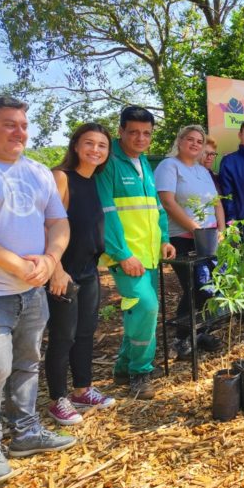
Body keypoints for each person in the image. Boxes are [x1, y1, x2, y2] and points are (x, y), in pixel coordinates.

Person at [0, 94, 75, 485]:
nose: (20, 131)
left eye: (23, 124)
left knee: (26, 363)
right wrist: (16, 263)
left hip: (32, 291)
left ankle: (26, 432)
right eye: (9, 124)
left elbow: (58, 222)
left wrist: (51, 260)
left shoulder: (37, 171)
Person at [96, 106, 175, 400]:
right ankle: (140, 373)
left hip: (150, 254)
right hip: (127, 257)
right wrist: (121, 254)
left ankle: (122, 367)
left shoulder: (143, 162)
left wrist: (164, 239)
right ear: (121, 131)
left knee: (140, 312)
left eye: (146, 133)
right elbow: (105, 214)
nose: (141, 138)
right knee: (146, 307)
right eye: (134, 132)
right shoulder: (109, 164)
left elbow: (156, 208)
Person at [45, 123, 115, 427]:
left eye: (102, 145)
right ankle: (57, 398)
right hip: (65, 272)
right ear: (75, 146)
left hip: (89, 271)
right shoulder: (61, 177)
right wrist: (56, 269)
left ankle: (82, 390)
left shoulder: (94, 182)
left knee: (86, 332)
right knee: (63, 336)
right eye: (89, 143)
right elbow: (46, 225)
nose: (95, 150)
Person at [154, 125, 224, 360]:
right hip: (182, 239)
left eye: (199, 141)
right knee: (195, 287)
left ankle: (199, 332)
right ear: (180, 140)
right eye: (190, 139)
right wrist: (196, 230)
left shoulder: (203, 171)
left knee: (209, 287)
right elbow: (168, 202)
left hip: (209, 238)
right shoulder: (169, 166)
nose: (195, 144)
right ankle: (182, 339)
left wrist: (221, 230)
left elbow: (217, 202)